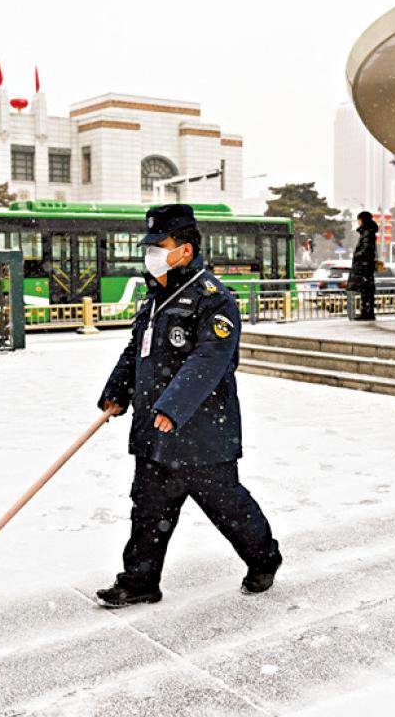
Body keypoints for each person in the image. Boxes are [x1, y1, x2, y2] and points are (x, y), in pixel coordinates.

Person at [95, 204, 283, 608]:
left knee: (230, 509)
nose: (152, 254)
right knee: (147, 511)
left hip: (201, 435)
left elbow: (210, 360)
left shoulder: (213, 299)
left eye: (159, 245)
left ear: (185, 248)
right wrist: (117, 392)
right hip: (155, 432)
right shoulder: (158, 298)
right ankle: (140, 580)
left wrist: (173, 407)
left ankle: (264, 558)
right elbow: (137, 352)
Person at [350, 212, 379, 321]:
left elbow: (366, 249)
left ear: (363, 220)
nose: (359, 222)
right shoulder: (368, 232)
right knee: (367, 289)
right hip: (367, 265)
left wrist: (357, 255)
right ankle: (367, 311)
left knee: (366, 289)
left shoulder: (367, 233)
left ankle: (367, 313)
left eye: (359, 219)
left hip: (365, 265)